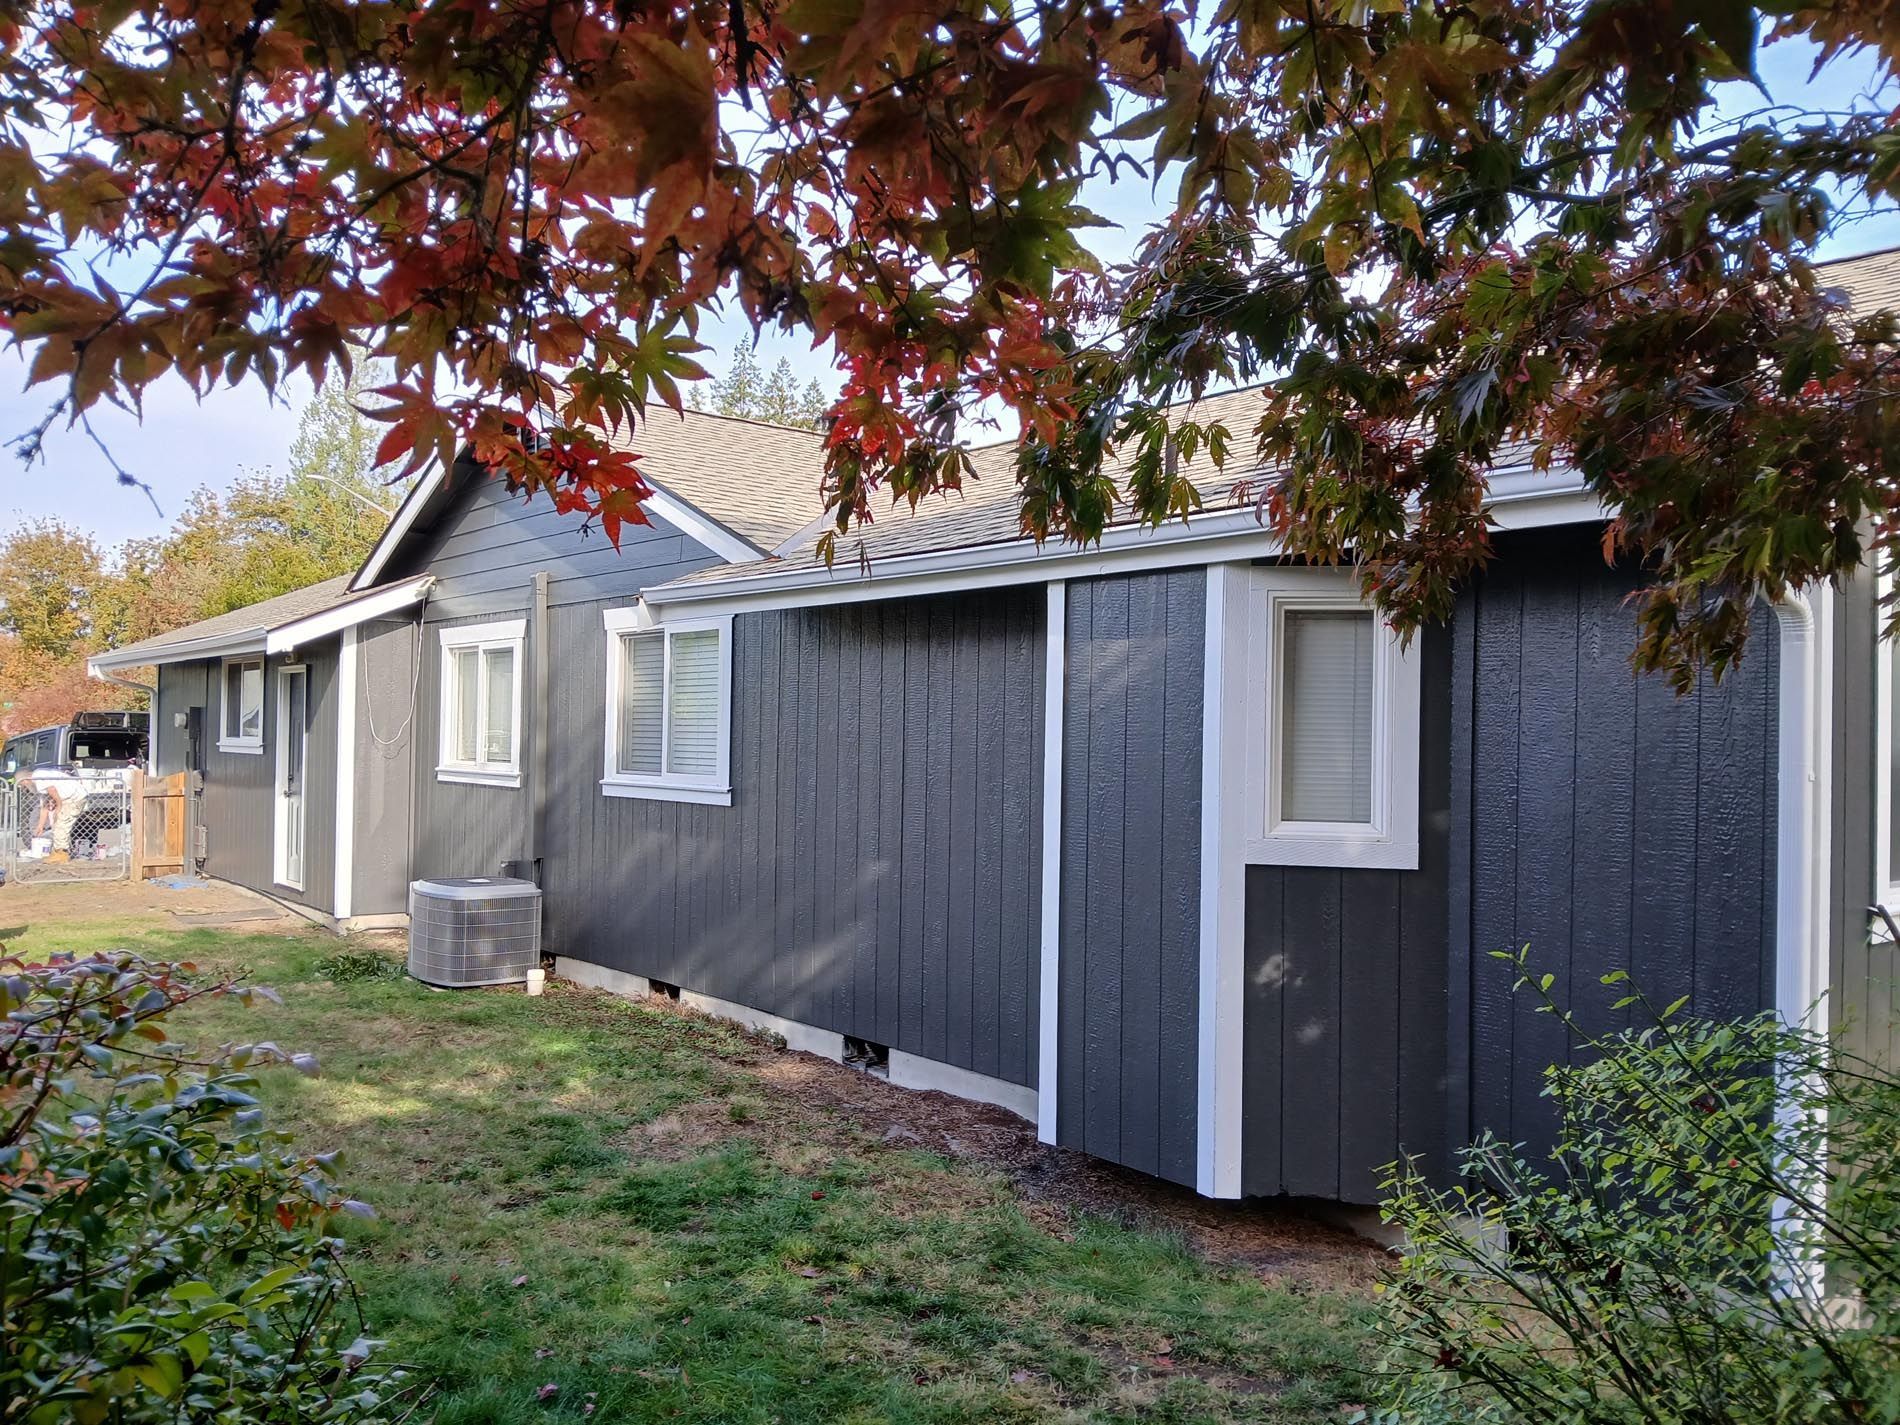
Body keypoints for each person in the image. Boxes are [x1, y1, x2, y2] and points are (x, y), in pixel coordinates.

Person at [21, 765, 86, 863]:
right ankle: (57, 851)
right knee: (57, 826)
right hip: (69, 798)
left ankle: (62, 853)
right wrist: (40, 826)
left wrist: (59, 807)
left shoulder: (38, 778)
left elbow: (52, 790)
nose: (24, 788)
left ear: (25, 780)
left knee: (62, 825)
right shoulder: (39, 779)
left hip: (74, 798)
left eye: (23, 785)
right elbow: (45, 805)